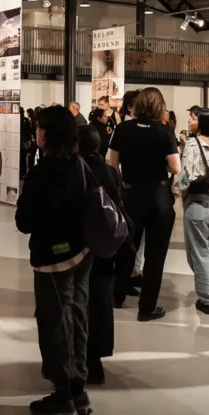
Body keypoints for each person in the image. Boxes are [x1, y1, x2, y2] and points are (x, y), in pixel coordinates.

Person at [16, 105, 92, 415]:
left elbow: (24, 221)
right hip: (82, 253)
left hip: (52, 258)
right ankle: (78, 389)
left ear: (45, 133)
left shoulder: (42, 172)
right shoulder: (80, 165)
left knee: (54, 321)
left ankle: (63, 395)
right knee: (77, 315)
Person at [108, 87, 180, 321]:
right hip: (158, 196)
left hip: (130, 195)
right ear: (160, 107)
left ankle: (117, 296)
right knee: (155, 256)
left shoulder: (122, 129)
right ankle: (146, 308)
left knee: (127, 248)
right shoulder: (164, 131)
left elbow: (112, 164)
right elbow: (175, 167)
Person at [77, 124, 126, 385]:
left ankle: (78, 358)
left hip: (82, 246)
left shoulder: (76, 170)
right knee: (101, 301)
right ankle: (96, 360)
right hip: (107, 246)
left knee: (79, 300)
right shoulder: (109, 171)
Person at [174, 108, 209, 314]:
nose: (189, 121)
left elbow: (185, 177)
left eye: (193, 118)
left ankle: (206, 300)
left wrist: (181, 193)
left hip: (198, 203)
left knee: (200, 254)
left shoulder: (192, 144)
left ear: (202, 123)